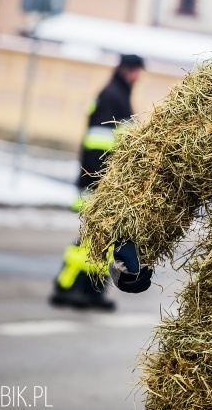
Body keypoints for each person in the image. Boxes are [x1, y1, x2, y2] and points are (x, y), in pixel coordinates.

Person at [48, 53, 145, 310]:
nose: (138, 77)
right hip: (98, 182)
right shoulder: (114, 95)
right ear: (131, 71)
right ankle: (68, 287)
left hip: (103, 182)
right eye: (138, 72)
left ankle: (90, 290)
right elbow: (98, 144)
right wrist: (102, 182)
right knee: (92, 240)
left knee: (101, 239)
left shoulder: (117, 94)